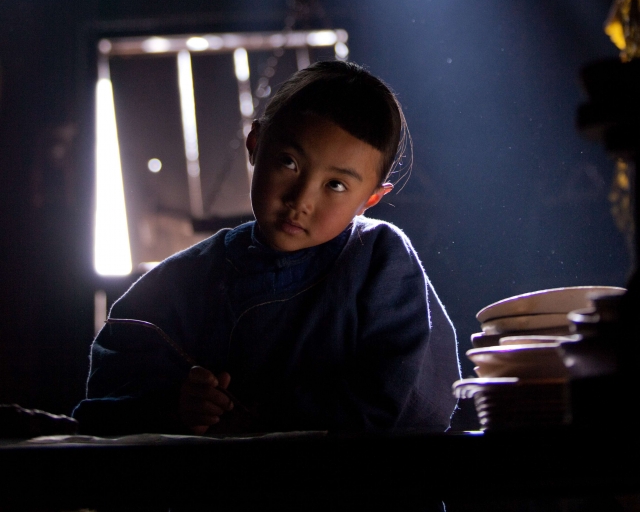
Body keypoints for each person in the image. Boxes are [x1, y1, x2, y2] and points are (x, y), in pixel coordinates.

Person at [73, 61, 460, 435]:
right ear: (255, 144)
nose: (301, 200)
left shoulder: (379, 261)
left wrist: (266, 417)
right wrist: (175, 407)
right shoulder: (183, 282)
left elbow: (403, 399)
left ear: (370, 200)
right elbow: (108, 395)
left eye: (336, 185)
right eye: (289, 163)